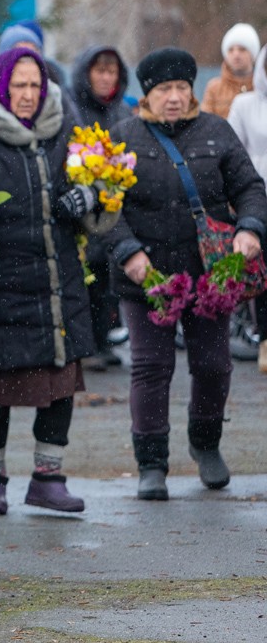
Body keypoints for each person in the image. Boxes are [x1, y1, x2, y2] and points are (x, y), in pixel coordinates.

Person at [109, 48, 267, 500]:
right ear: (147, 95)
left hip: (210, 274)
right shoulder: (123, 137)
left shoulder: (216, 132)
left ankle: (206, 443)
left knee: (214, 365)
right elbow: (106, 206)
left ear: (192, 90)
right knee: (151, 366)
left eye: (181, 88)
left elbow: (250, 188)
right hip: (146, 276)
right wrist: (128, 253)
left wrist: (250, 229)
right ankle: (152, 462)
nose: (174, 97)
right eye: (163, 90)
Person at [0, 47, 94, 515]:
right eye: (18, 85)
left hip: (57, 280)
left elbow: (96, 187)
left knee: (59, 383)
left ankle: (48, 478)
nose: (28, 94)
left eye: (35, 85)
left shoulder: (63, 132)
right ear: (0, 86)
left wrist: (87, 197)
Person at [71, 46, 134, 370]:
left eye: (112, 72)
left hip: (114, 204)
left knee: (110, 273)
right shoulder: (74, 108)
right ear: (87, 74)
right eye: (100, 71)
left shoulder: (123, 112)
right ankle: (86, 343)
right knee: (87, 274)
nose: (106, 78)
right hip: (82, 202)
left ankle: (104, 337)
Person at [227, 44, 267, 372]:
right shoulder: (246, 104)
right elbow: (233, 149)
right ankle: (265, 337)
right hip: (258, 194)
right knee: (262, 273)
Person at [200, 23, 260, 120]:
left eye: (242, 49)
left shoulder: (261, 88)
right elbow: (205, 126)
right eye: (231, 50)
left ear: (253, 54)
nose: (236, 54)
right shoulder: (214, 88)